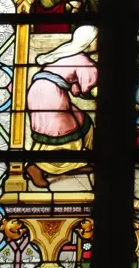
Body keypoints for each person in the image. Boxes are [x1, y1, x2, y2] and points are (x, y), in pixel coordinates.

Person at [26, 26, 98, 188]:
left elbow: (74, 87)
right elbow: (89, 89)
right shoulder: (83, 60)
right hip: (51, 95)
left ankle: (76, 162)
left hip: (38, 91)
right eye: (97, 39)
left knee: (82, 121)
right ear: (89, 42)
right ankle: (35, 167)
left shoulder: (66, 53)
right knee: (60, 131)